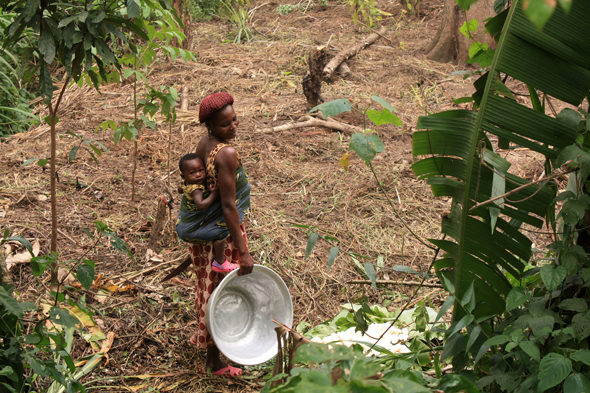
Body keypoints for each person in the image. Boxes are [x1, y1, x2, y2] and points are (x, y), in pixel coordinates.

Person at [175, 92, 253, 378]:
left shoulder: (204, 144)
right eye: (225, 124)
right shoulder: (227, 154)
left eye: (234, 119)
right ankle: (215, 361)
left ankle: (215, 354)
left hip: (208, 235)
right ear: (210, 127)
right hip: (223, 233)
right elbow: (229, 206)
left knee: (210, 289)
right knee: (220, 291)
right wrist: (243, 251)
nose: (233, 125)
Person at [177, 153, 239, 274]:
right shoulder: (196, 189)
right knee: (220, 233)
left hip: (185, 226)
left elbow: (180, 190)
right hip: (190, 227)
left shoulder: (186, 184)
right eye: (192, 173)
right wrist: (214, 193)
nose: (198, 174)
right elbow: (201, 205)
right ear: (183, 176)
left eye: (201, 170)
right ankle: (219, 262)